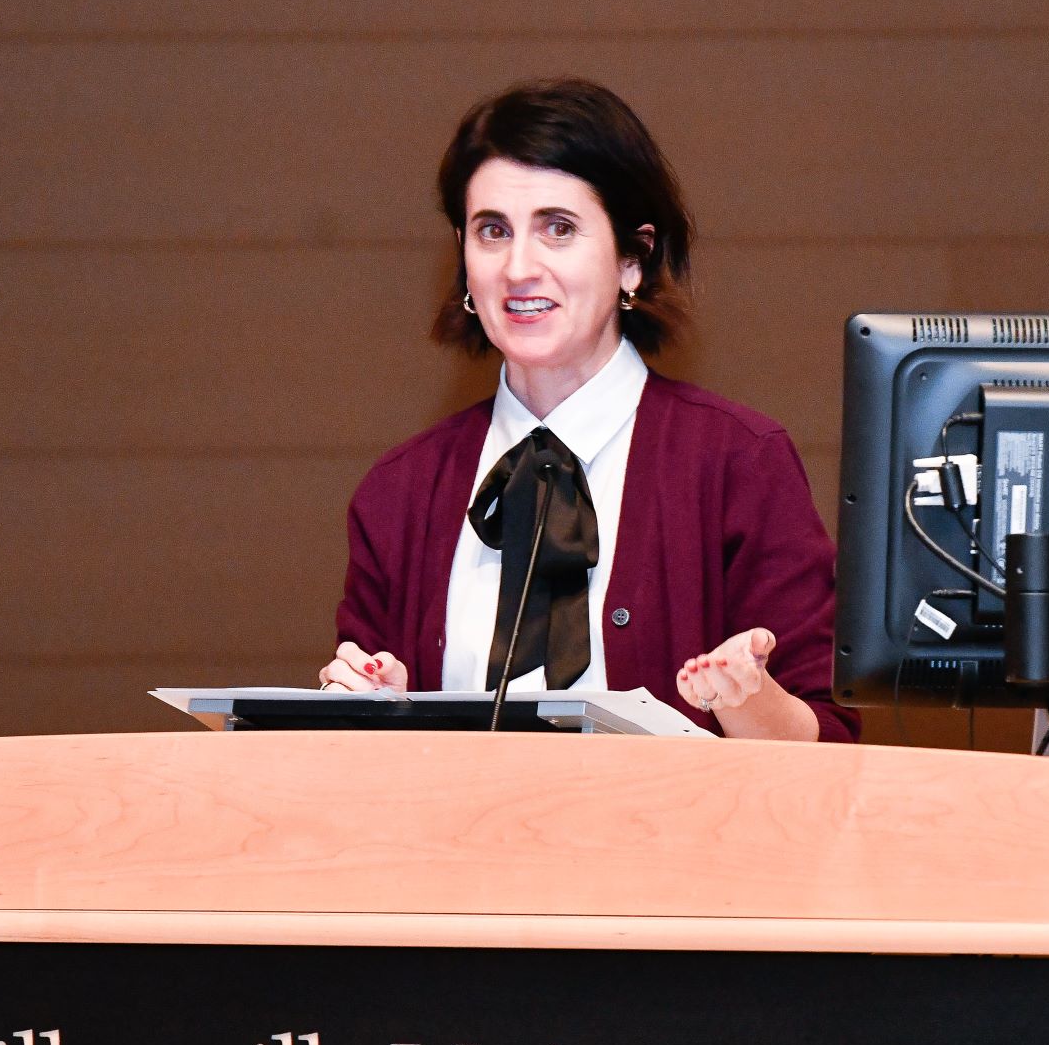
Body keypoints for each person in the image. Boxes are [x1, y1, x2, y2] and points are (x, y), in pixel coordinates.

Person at [322, 79, 858, 743]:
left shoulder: (737, 462)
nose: (519, 267)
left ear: (633, 258)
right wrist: (359, 708)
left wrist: (744, 697)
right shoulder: (399, 492)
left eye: (558, 228)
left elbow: (831, 744)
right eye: (492, 231)